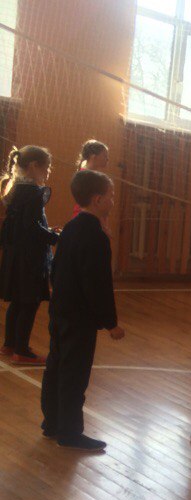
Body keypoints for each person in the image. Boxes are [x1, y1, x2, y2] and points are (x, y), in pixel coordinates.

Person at [41, 170, 125, 452]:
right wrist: (110, 323)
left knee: (56, 366)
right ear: (97, 199)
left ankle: (52, 422)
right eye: (110, 196)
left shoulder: (71, 227)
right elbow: (98, 284)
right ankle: (69, 432)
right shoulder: (95, 236)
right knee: (74, 374)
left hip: (61, 310)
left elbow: (55, 269)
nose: (113, 201)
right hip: (79, 316)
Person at [0, 146, 59, 365]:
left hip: (15, 255)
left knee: (18, 300)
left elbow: (23, 225)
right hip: (29, 258)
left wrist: (47, 230)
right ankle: (22, 350)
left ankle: (9, 344)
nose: (48, 172)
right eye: (47, 167)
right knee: (29, 302)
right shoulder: (34, 193)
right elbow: (31, 227)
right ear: (34, 166)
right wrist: (54, 237)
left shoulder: (15, 189)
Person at [72, 140, 109, 218]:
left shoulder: (95, 176)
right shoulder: (85, 176)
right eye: (104, 156)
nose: (107, 159)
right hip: (84, 217)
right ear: (93, 157)